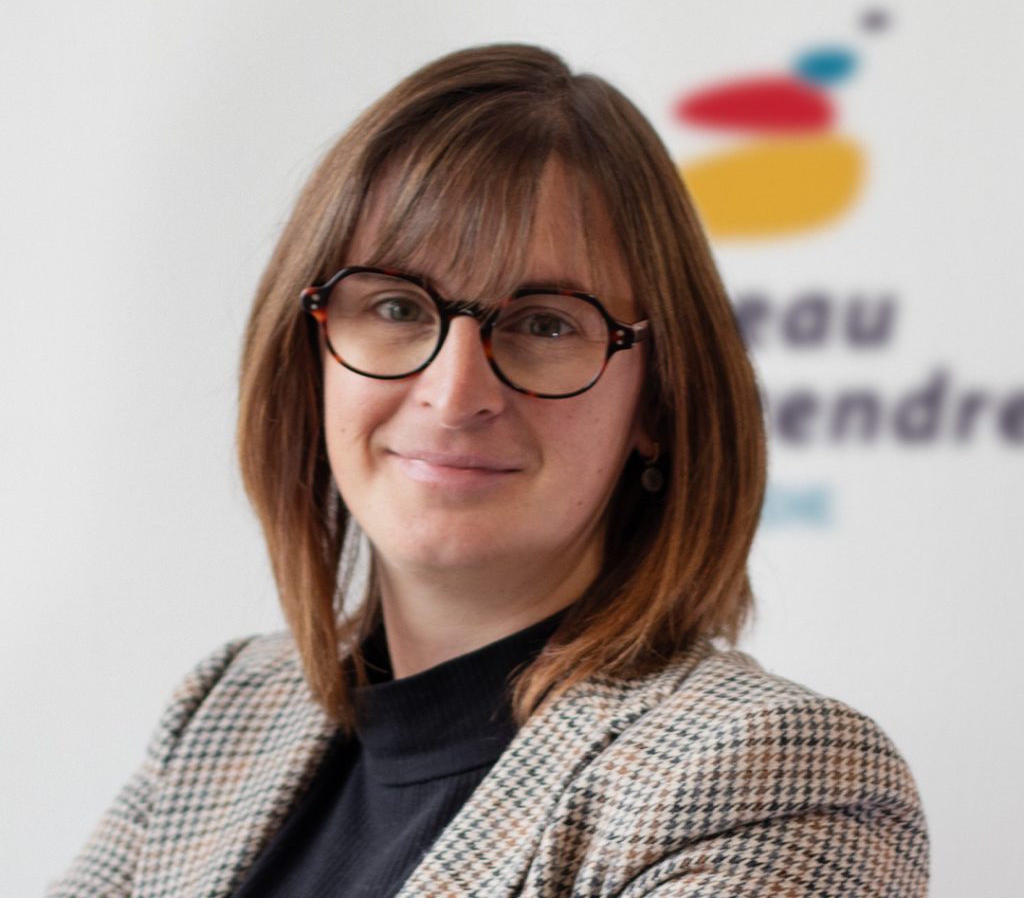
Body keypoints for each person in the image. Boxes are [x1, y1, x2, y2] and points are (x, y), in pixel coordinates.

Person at [48, 44, 928, 897]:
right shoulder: (228, 711)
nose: (453, 393)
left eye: (545, 323)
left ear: (659, 404)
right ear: (308, 355)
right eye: (396, 307)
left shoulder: (772, 780)